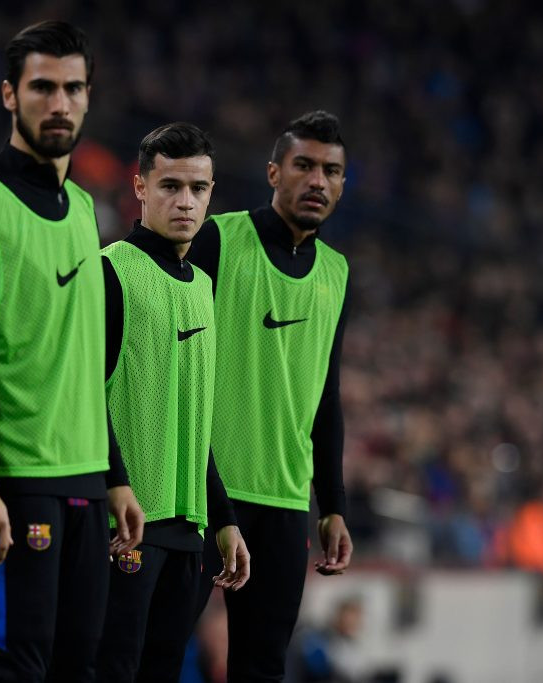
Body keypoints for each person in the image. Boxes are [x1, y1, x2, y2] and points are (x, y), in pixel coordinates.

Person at [0, 21, 143, 681]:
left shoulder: (82, 208)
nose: (60, 102)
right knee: (15, 664)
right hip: (10, 482)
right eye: (43, 86)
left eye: (73, 88)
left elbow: (81, 361)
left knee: (80, 667)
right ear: (10, 96)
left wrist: (116, 473)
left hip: (83, 480)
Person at [186, 110, 354, 681]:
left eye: (330, 171)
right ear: (273, 173)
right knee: (151, 654)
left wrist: (331, 504)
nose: (317, 181)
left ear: (341, 185)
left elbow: (326, 395)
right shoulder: (215, 239)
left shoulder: (337, 272)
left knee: (262, 669)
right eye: (303, 166)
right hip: (200, 491)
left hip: (284, 503)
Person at [94, 123, 251, 683]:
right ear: (139, 187)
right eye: (170, 186)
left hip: (190, 530)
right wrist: (116, 485)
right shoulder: (110, 271)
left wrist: (225, 520)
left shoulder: (202, 286)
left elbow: (196, 421)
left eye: (198, 188)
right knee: (112, 669)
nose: (185, 201)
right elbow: (87, 398)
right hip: (130, 525)